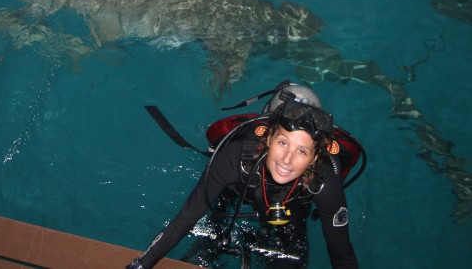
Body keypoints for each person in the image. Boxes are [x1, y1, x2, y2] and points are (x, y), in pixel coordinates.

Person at [127, 81, 359, 268]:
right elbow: (185, 220)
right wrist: (142, 265)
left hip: (291, 205)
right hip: (237, 189)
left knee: (292, 257)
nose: (287, 160)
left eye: (302, 151)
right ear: (267, 137)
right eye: (282, 142)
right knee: (211, 242)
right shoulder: (234, 159)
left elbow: (342, 254)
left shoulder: (323, 183)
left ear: (315, 158)